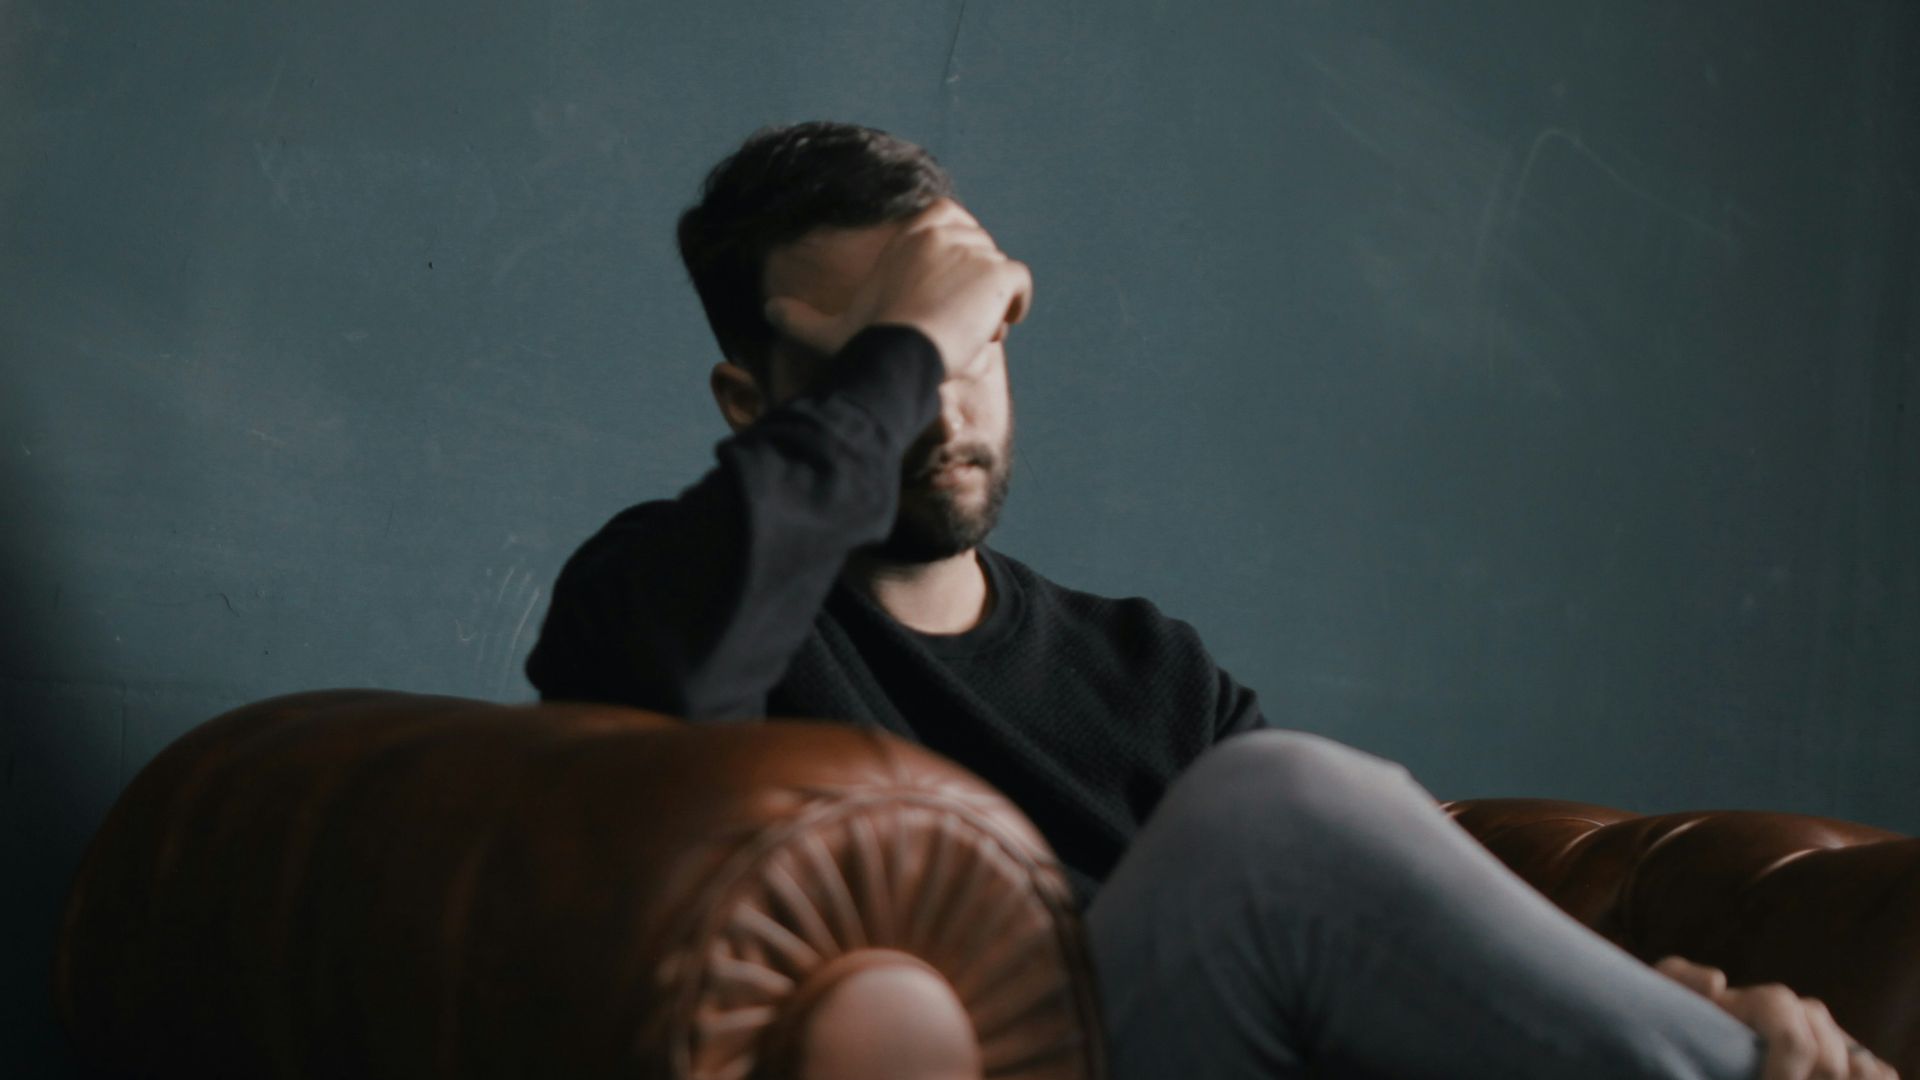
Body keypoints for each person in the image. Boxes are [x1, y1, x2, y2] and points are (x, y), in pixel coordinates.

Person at [525, 121, 1892, 1080]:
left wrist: (1621, 1010)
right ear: (752, 404)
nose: (945, 396)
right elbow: (680, 693)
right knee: (1275, 808)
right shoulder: (661, 586)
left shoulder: (1142, 668)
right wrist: (915, 328)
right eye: (889, 356)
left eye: (974, 338)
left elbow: (1377, 941)